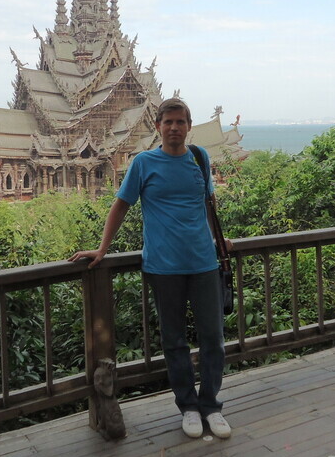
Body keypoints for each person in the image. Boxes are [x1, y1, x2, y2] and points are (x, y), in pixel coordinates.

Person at [69, 97, 232, 439]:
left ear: (189, 126)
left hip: (204, 263)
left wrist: (220, 239)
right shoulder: (144, 163)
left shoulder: (200, 159)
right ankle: (188, 406)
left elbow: (207, 205)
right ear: (157, 126)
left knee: (213, 339)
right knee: (174, 342)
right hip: (163, 266)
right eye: (168, 122)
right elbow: (120, 206)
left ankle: (211, 405)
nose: (174, 128)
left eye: (180, 122)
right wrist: (102, 248)